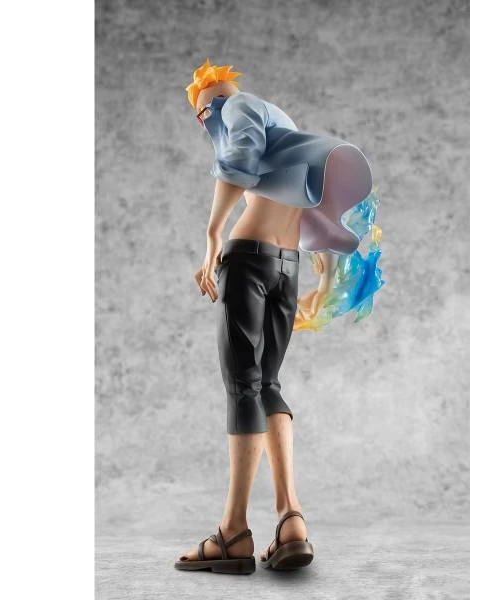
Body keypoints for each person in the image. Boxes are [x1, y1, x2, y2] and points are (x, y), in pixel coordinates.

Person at [175, 59, 375, 574]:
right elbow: (311, 198)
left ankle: (233, 532)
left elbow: (237, 159)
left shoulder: (237, 108)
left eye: (205, 110)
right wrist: (325, 281)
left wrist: (212, 236)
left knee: (243, 386)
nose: (208, 120)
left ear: (211, 103)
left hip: (248, 257)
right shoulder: (282, 122)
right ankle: (291, 520)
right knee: (267, 384)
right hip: (286, 265)